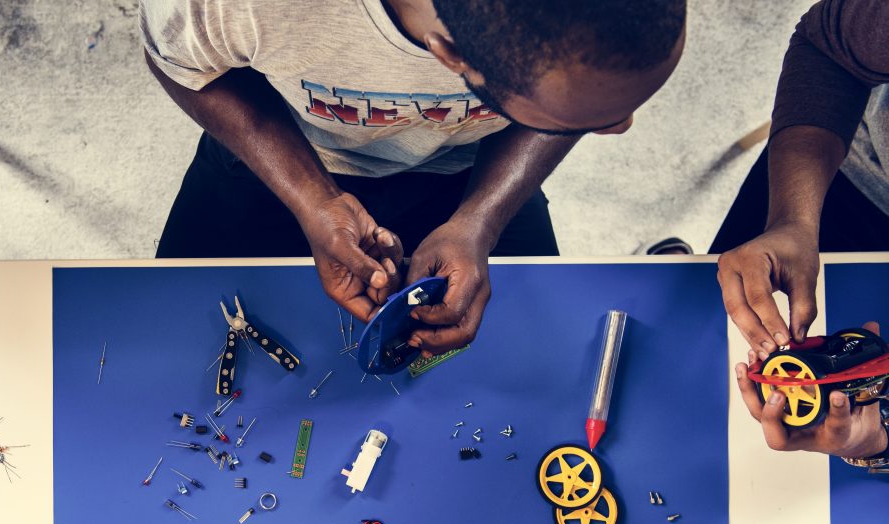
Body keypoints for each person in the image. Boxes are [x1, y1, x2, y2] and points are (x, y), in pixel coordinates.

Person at [142, 0, 686, 355]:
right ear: (445, 55)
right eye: (585, 121)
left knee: (539, 362)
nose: (623, 128)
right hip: (279, 152)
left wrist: (480, 220)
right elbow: (188, 68)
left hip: (473, 169)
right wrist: (312, 198)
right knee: (175, 352)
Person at [712, 0, 888, 465]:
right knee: (721, 301)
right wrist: (793, 218)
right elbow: (830, 48)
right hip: (851, 177)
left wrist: (877, 446)